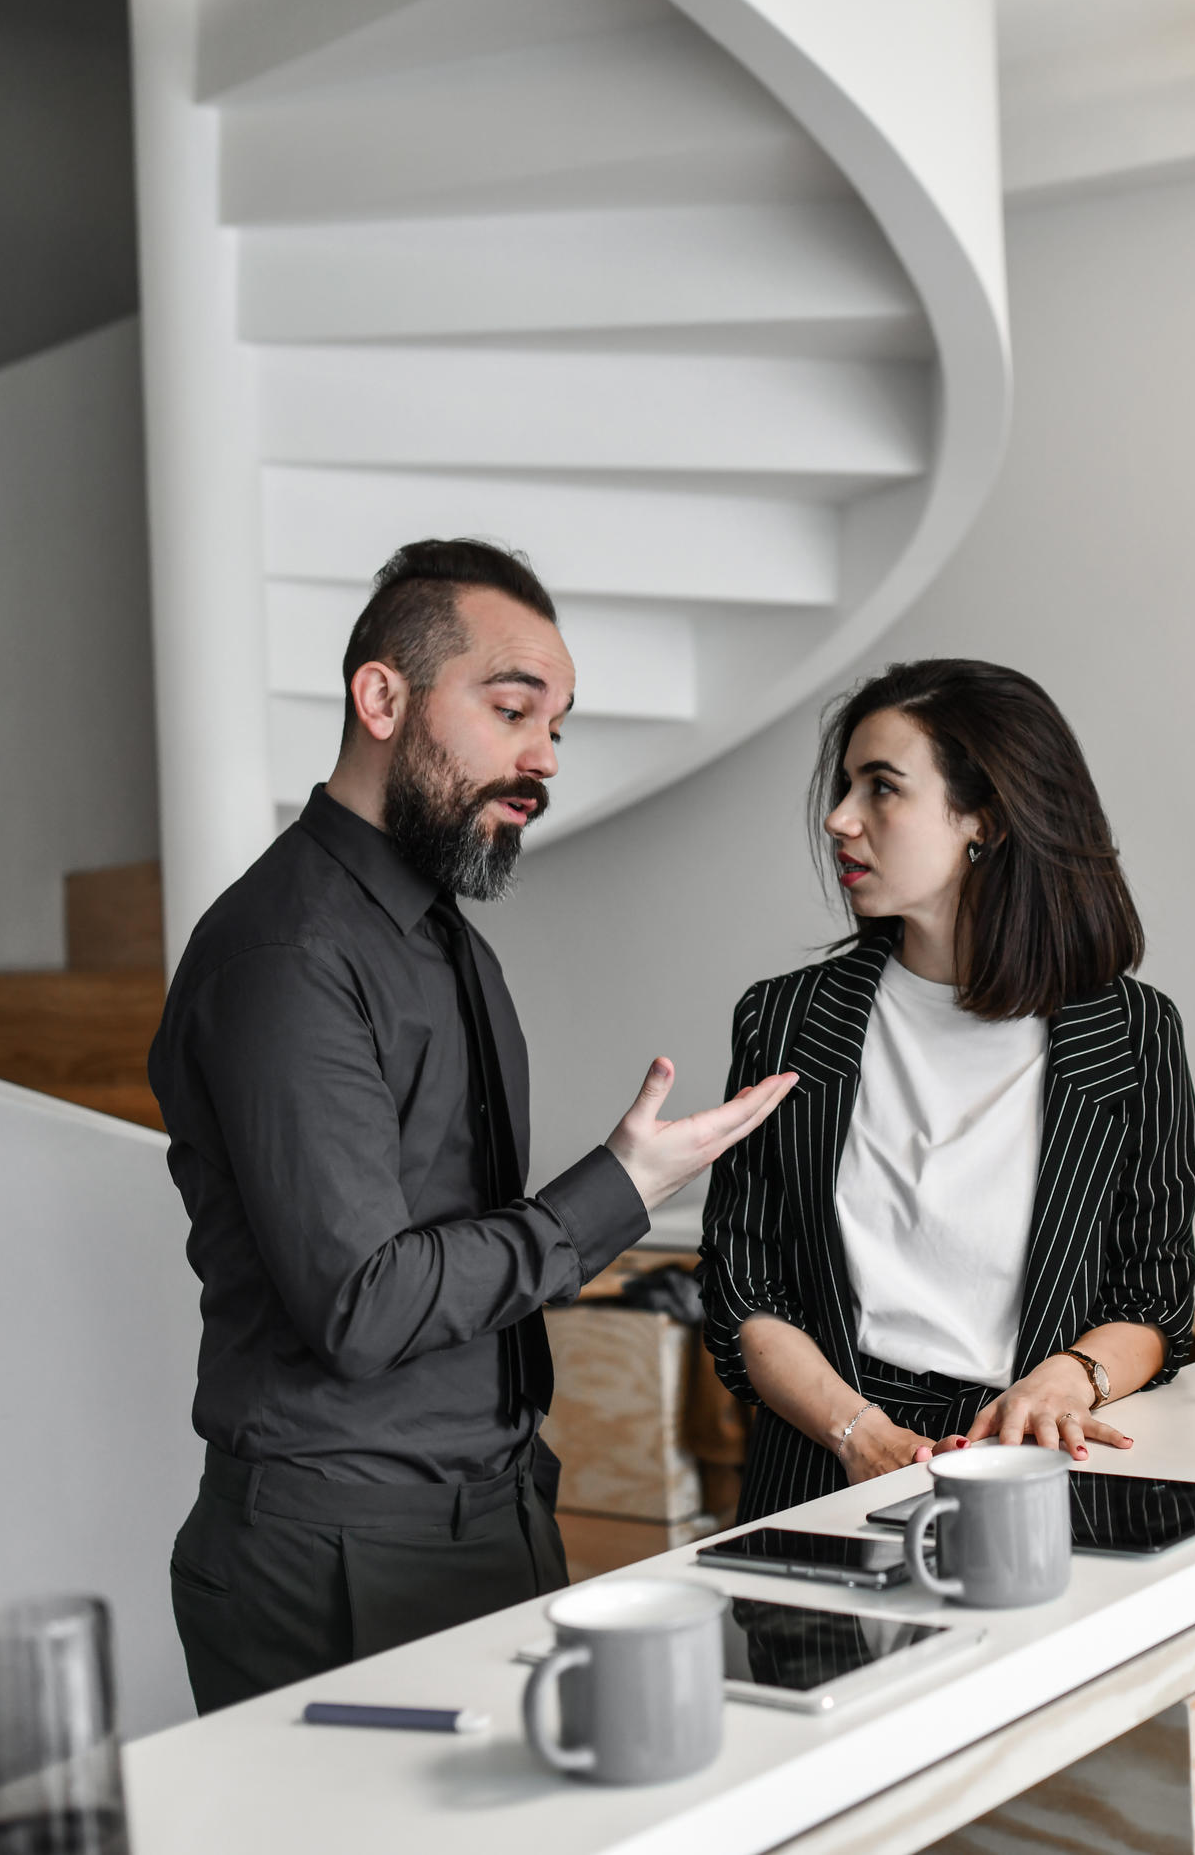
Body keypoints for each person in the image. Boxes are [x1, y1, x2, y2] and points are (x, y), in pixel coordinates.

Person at [148, 538, 795, 1712]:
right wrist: (616, 1188)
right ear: (381, 697)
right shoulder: (284, 955)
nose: (543, 758)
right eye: (510, 710)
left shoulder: (453, 947)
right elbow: (366, 1301)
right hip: (338, 1553)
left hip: (494, 1515)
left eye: (558, 724)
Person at [699, 659, 1195, 1522]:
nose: (839, 818)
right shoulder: (781, 1022)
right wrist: (857, 1431)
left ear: (986, 818)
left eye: (882, 788)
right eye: (844, 784)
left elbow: (1151, 1298)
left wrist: (1064, 1379)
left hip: (1042, 1475)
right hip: (824, 1470)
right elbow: (744, 1291)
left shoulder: (1133, 1033)